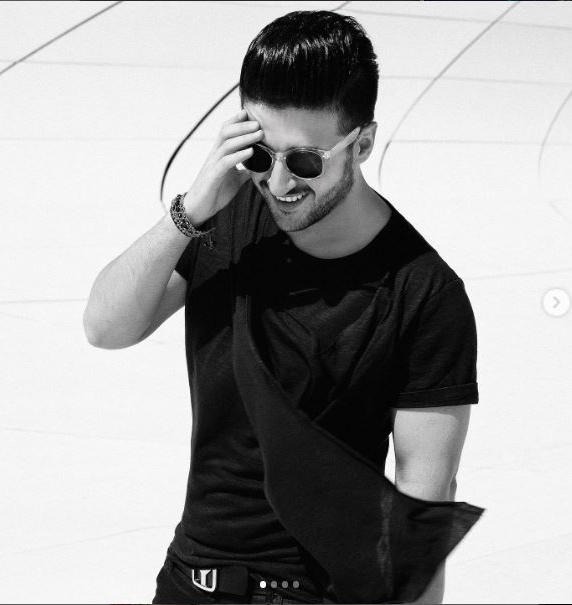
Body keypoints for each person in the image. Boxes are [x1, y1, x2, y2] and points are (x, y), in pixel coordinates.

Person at [83, 10, 484, 605]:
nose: (277, 184)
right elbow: (105, 327)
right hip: (190, 580)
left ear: (362, 143)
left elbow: (421, 503)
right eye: (258, 155)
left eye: (304, 162)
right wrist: (191, 209)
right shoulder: (221, 219)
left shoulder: (423, 293)